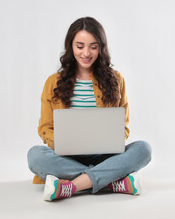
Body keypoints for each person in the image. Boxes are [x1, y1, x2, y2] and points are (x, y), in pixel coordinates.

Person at [27, 17, 152, 201]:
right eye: (80, 46)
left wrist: (110, 141)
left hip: (105, 156)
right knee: (35, 156)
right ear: (71, 46)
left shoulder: (117, 80)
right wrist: (66, 143)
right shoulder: (53, 82)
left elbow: (123, 128)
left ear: (101, 48)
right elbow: (45, 128)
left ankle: (72, 186)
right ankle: (110, 181)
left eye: (93, 47)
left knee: (144, 149)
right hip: (67, 157)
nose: (86, 53)